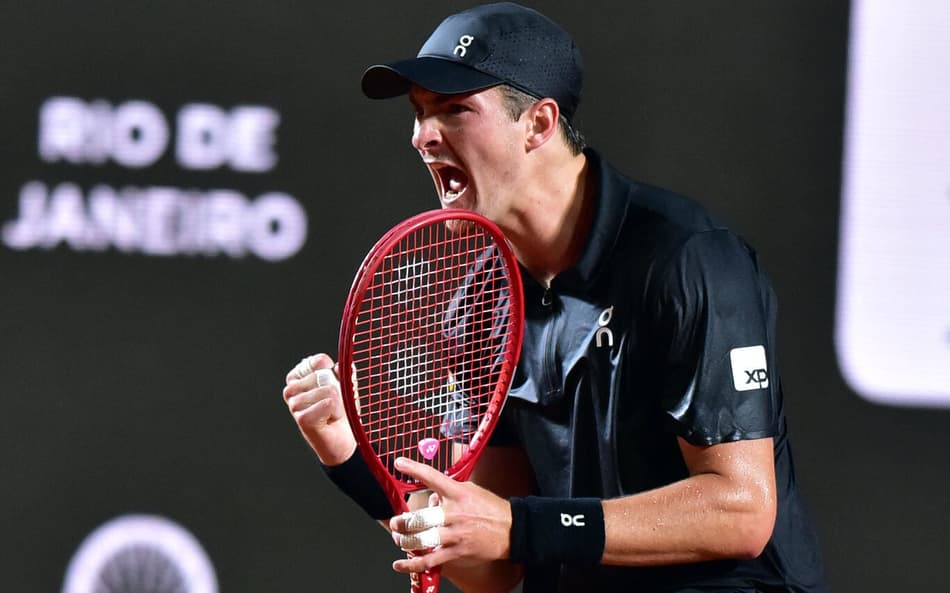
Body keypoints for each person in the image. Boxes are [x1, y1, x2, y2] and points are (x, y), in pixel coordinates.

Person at [281, 3, 828, 592]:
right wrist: (349, 458)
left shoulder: (689, 259)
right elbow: (492, 568)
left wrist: (521, 525)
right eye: (419, 114)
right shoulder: (481, 299)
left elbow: (741, 509)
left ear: (538, 124)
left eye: (454, 110)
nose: (422, 136)